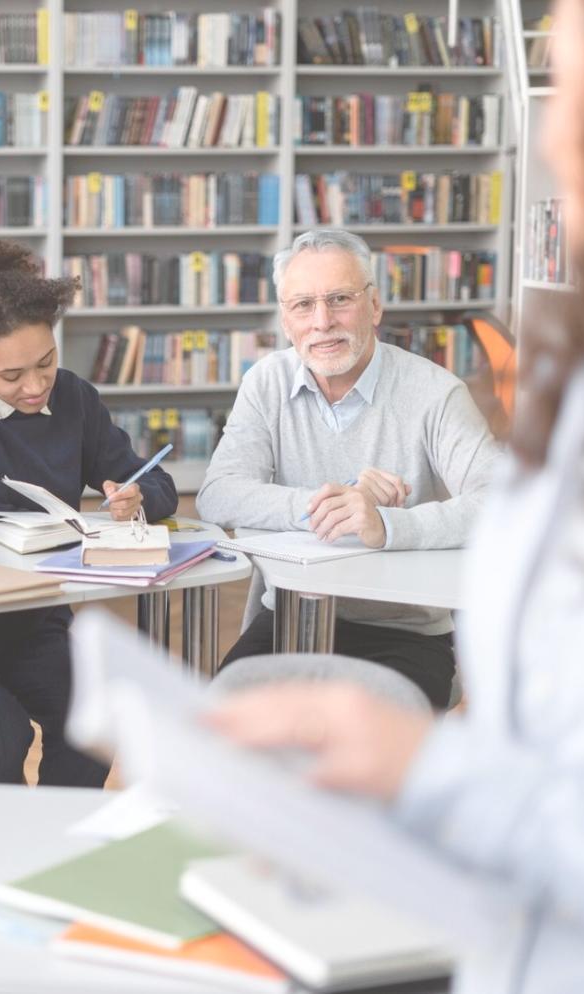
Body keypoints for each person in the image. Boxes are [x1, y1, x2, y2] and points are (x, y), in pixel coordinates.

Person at [206, 1, 584, 989]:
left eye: (575, 104)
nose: (548, 141)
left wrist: (438, 776)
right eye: (301, 305)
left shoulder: (444, 389)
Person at [0, 234, 178, 785]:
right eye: (11, 375)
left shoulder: (73, 398)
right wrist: (43, 525)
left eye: (45, 362)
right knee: (1, 733)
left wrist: (137, 496)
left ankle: (57, 844)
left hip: (34, 620)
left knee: (96, 720)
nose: (34, 386)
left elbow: (158, 483)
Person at [197, 228, 500, 708]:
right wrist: (334, 504)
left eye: (339, 299)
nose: (321, 322)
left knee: (368, 762)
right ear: (285, 318)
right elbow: (218, 493)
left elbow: (502, 503)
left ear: (375, 306)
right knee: (219, 730)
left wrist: (385, 523)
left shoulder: (436, 393)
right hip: (291, 619)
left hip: (403, 633)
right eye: (303, 305)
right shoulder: (265, 383)